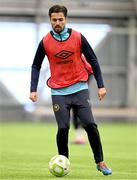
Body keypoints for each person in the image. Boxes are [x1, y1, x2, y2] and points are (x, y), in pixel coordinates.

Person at [29, 5, 112, 176]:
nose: (57, 23)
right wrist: (33, 89)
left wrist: (101, 85)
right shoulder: (45, 42)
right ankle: (64, 162)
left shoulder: (77, 37)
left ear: (66, 19)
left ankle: (100, 161)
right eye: (54, 20)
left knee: (90, 124)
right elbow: (36, 65)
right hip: (58, 92)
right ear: (50, 20)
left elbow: (93, 59)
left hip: (80, 88)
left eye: (60, 19)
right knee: (64, 128)